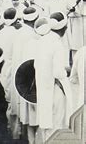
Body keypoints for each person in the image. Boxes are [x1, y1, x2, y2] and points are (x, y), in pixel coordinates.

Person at [34, 12, 73, 141]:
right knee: (56, 125)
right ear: (64, 28)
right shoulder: (57, 44)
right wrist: (67, 71)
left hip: (44, 88)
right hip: (55, 89)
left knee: (46, 125)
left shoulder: (42, 40)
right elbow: (57, 72)